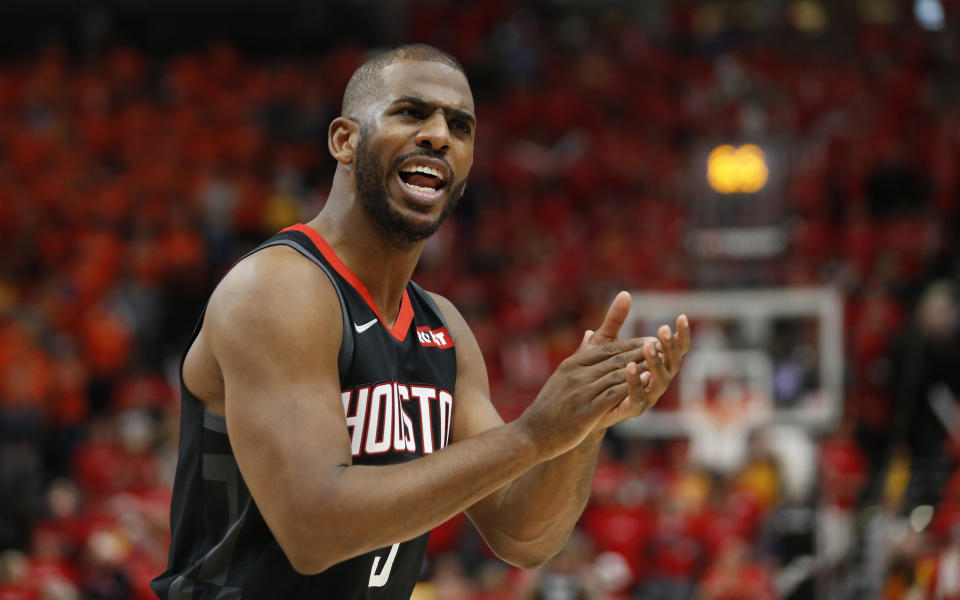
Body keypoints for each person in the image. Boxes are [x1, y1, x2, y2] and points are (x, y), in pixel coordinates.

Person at [151, 44, 691, 598]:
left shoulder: (444, 328)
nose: (439, 135)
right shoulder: (279, 288)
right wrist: (532, 435)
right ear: (345, 140)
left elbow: (523, 536)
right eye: (411, 113)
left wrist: (583, 425)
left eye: (460, 127)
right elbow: (313, 528)